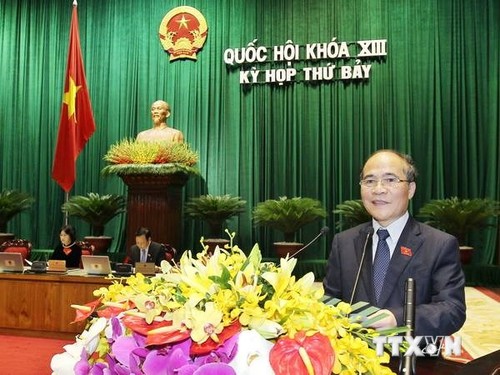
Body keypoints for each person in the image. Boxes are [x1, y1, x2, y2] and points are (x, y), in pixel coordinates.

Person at [323, 149, 466, 336]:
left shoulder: (438, 244)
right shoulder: (344, 242)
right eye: (369, 181)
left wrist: (398, 319)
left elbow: (452, 310)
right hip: (353, 360)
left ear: (411, 190)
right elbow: (330, 302)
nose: (378, 189)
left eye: (390, 180)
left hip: (413, 358)